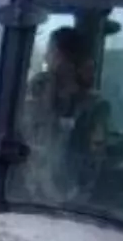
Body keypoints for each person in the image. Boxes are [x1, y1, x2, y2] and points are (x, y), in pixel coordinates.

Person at [16, 26, 111, 202]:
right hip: (26, 195)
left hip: (70, 200)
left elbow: (92, 161)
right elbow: (22, 132)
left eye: (51, 52)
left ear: (66, 59)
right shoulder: (36, 90)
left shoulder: (94, 107)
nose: (46, 58)